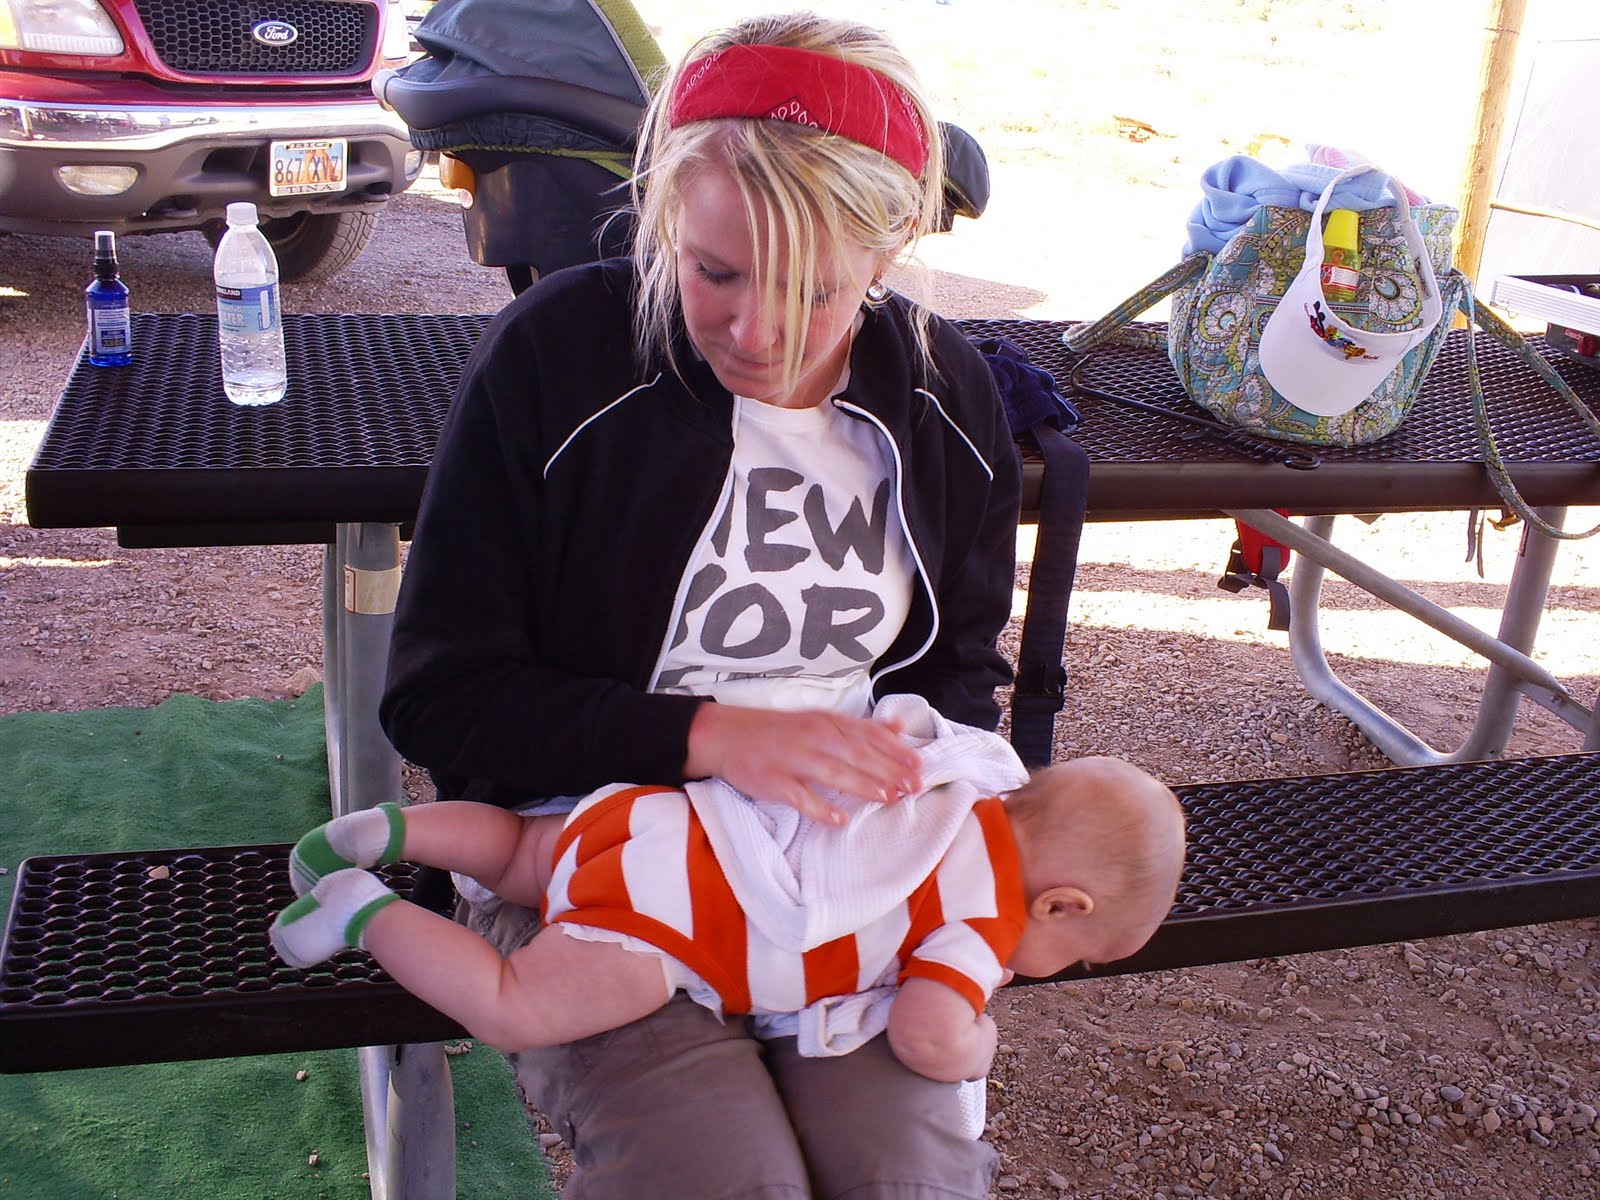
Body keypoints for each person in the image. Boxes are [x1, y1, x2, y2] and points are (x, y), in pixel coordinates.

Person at [375, 10, 1025, 1197]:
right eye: (715, 270)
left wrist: (923, 791)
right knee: (722, 1178)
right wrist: (711, 738)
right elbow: (442, 700)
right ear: (666, 217)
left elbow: (960, 668)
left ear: (885, 255)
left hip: (846, 878)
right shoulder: (556, 361)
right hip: (591, 853)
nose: (756, 330)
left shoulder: (944, 396)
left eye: (815, 291)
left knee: (910, 1178)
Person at [271, 751, 1185, 1090]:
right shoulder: (981, 927)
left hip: (660, 818)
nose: (1048, 970)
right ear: (1061, 903)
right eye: (1076, 955)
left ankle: (386, 830)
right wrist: (975, 1044)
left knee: (515, 849)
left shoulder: (956, 783)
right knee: (512, 1001)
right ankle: (364, 911)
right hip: (666, 924)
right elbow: (926, 1035)